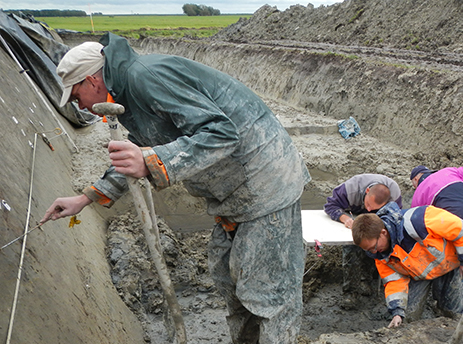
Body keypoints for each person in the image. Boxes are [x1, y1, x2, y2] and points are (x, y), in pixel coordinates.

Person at [41, 33, 311, 344]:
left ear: (91, 81)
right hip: (235, 195)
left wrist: (154, 161)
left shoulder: (146, 77)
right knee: (230, 280)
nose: (81, 106)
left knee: (267, 294)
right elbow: (143, 146)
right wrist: (86, 198)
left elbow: (221, 133)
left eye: (76, 97)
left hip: (264, 183)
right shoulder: (128, 92)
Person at [352, 202, 463, 328]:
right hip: (420, 275)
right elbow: (394, 281)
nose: (374, 252)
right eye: (369, 250)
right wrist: (397, 312)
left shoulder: (419, 220)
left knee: (455, 312)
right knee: (408, 317)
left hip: (452, 265)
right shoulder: (381, 255)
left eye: (374, 247)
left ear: (383, 232)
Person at [409, 160, 463, 310]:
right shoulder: (449, 172)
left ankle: (453, 307)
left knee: (453, 267)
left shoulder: (419, 193)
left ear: (416, 180)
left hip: (453, 226)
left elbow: (419, 225)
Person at [323, 174, 402, 307]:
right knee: (352, 247)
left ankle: (366, 280)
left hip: (378, 220)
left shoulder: (394, 193)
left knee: (375, 245)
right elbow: (330, 205)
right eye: (368, 205)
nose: (369, 209)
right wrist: (345, 219)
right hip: (353, 216)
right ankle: (351, 291)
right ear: (366, 192)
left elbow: (395, 219)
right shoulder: (350, 189)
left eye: (374, 207)